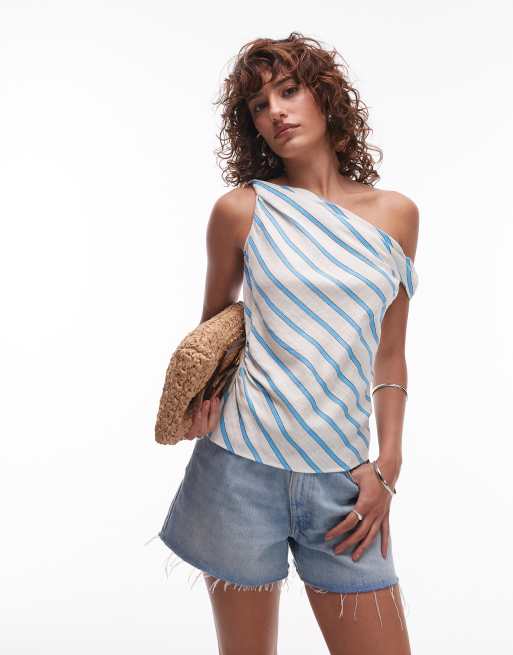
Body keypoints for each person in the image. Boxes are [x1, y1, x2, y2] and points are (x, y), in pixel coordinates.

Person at [156, 32, 419, 654]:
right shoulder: (241, 211)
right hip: (238, 471)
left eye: (289, 90)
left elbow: (389, 354)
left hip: (344, 482)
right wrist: (198, 406)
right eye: (258, 105)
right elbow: (215, 335)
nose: (275, 111)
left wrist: (389, 463)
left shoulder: (396, 216)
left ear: (325, 96)